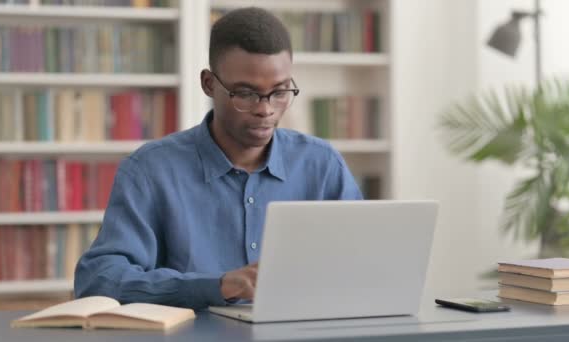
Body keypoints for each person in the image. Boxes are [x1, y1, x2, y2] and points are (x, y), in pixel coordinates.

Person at [74, 7, 362, 310]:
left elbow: (364, 261)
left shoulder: (322, 164)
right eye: (246, 93)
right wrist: (216, 287)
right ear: (209, 84)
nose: (266, 110)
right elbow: (98, 280)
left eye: (279, 92)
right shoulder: (150, 170)